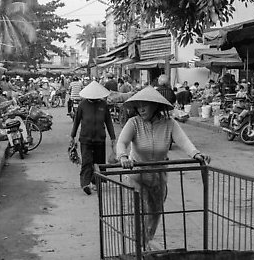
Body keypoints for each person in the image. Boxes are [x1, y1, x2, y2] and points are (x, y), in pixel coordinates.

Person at [116, 86, 211, 250]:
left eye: (144, 105)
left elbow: (183, 141)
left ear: (155, 106)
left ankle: (146, 243)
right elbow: (122, 142)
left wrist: (196, 154)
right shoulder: (134, 123)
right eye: (138, 106)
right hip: (137, 176)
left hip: (159, 178)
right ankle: (140, 247)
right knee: (140, 213)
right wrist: (123, 157)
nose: (141, 109)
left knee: (155, 213)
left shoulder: (169, 123)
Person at [70, 81, 117, 195]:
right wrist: (72, 136)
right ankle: (85, 184)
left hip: (100, 138)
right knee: (87, 161)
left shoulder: (103, 105)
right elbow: (76, 121)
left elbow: (108, 122)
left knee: (99, 162)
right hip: (85, 138)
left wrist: (113, 138)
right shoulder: (82, 105)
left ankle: (95, 182)